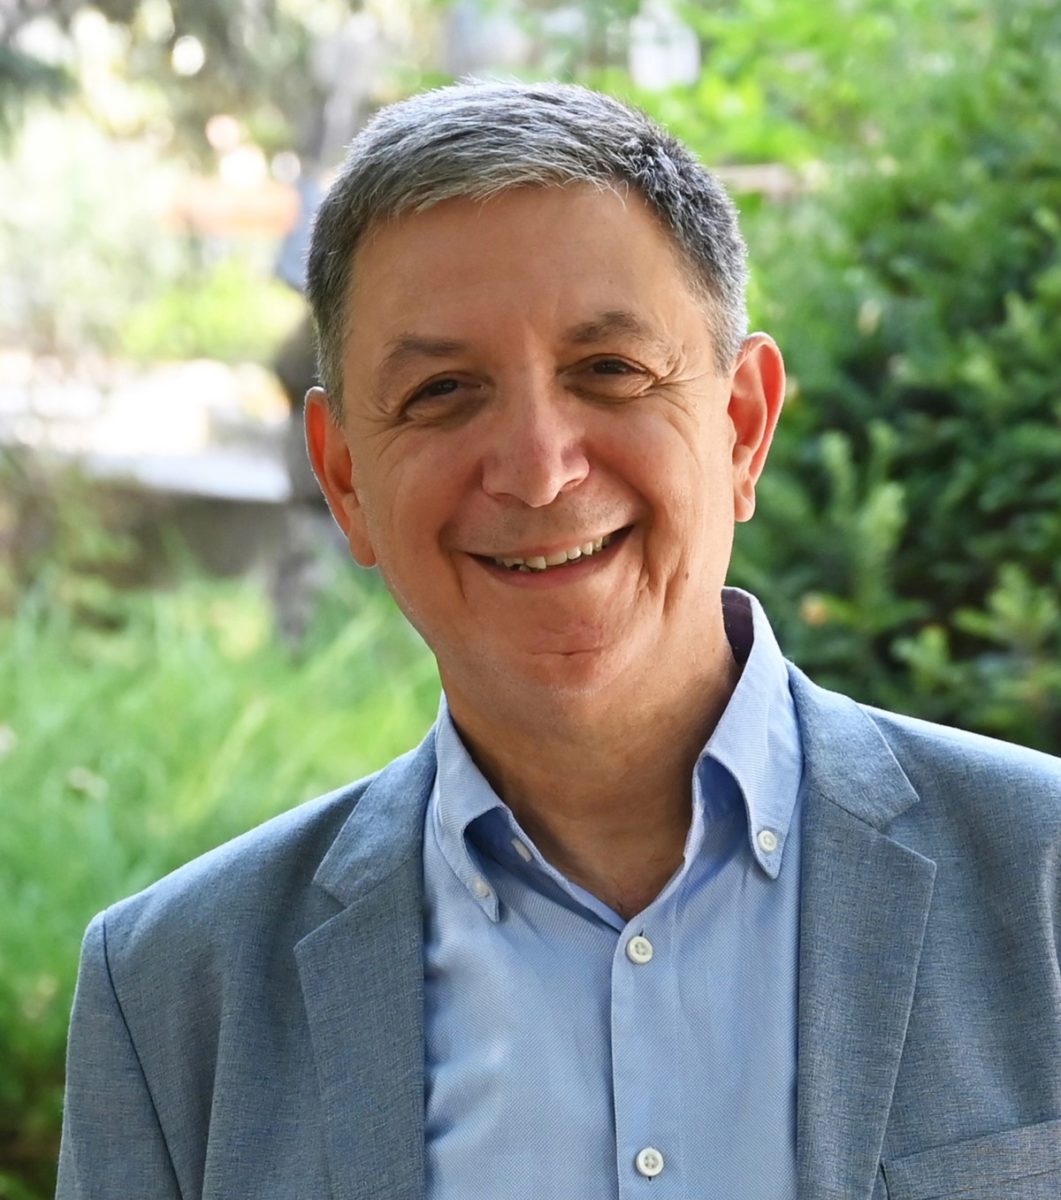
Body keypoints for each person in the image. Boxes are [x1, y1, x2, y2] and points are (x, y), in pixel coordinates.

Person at [57, 82, 1061, 1200]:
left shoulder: (1043, 879)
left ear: (741, 426)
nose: (538, 470)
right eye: (442, 391)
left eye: (609, 371)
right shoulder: (171, 997)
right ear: (343, 479)